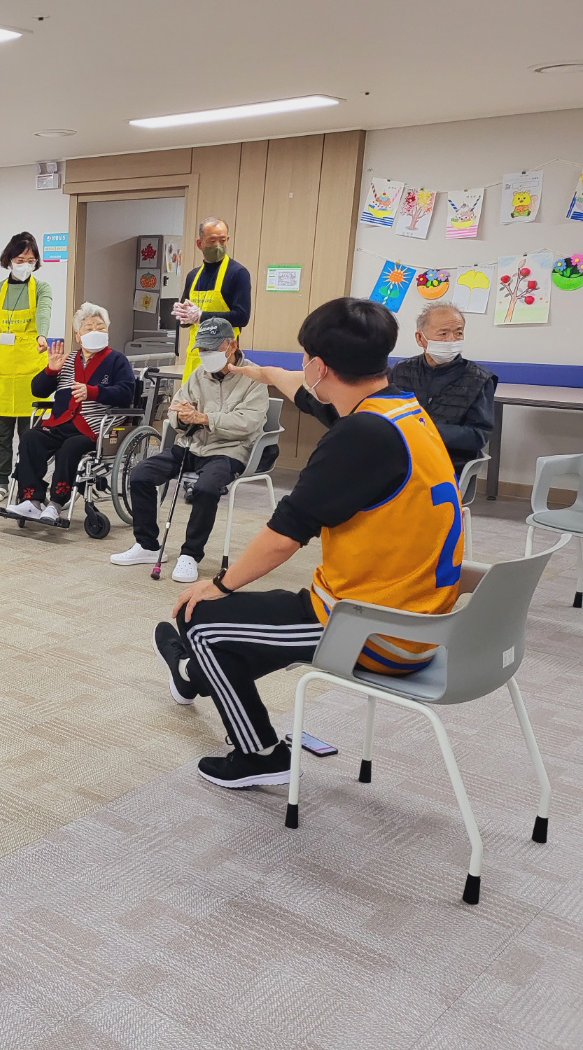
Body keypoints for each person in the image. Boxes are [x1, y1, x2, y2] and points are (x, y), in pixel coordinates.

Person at [151, 298, 463, 790]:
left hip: (372, 630)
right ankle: (193, 673)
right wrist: (262, 373)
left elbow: (284, 536)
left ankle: (258, 753)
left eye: (305, 361)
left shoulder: (356, 439)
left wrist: (220, 585)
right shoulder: (398, 410)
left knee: (200, 618)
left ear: (319, 366)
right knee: (234, 631)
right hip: (418, 615)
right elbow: (305, 391)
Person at [110, 318, 269, 583]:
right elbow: (176, 409)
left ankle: (190, 555)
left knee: (206, 489)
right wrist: (182, 418)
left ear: (231, 345)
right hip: (189, 445)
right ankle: (148, 546)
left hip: (228, 451)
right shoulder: (198, 375)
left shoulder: (254, 377)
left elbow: (249, 422)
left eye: (211, 349)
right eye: (202, 349)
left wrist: (205, 418)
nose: (206, 355)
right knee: (140, 474)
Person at [4, 303, 135, 523]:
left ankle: (56, 503)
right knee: (31, 438)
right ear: (78, 336)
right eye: (89, 328)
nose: (95, 331)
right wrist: (50, 371)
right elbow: (38, 391)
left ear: (108, 332)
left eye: (101, 327)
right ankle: (31, 501)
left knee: (70, 447)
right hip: (60, 424)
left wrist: (93, 392)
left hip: (93, 428)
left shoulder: (117, 360)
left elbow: (126, 393)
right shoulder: (68, 360)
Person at [0, 232, 52, 502]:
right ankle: (1, 482)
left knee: (31, 434)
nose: (25, 265)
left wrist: (42, 335)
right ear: (9, 260)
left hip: (32, 370)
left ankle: (28, 484)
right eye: (20, 260)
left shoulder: (42, 289)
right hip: (2, 370)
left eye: (31, 260)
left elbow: (43, 312)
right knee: (1, 433)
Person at [388, 303, 496, 473]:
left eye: (458, 333)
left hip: (446, 463)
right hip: (400, 457)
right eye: (443, 333)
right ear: (420, 338)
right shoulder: (401, 370)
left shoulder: (479, 379)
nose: (452, 340)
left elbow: (478, 435)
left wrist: (428, 430)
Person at [171, 217, 252, 380]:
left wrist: (201, 316)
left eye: (222, 240)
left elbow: (242, 317)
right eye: (212, 241)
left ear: (228, 240)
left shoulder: (237, 273)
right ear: (199, 243)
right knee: (190, 396)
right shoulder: (193, 276)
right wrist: (183, 315)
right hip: (195, 355)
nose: (218, 245)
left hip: (223, 358)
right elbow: (186, 322)